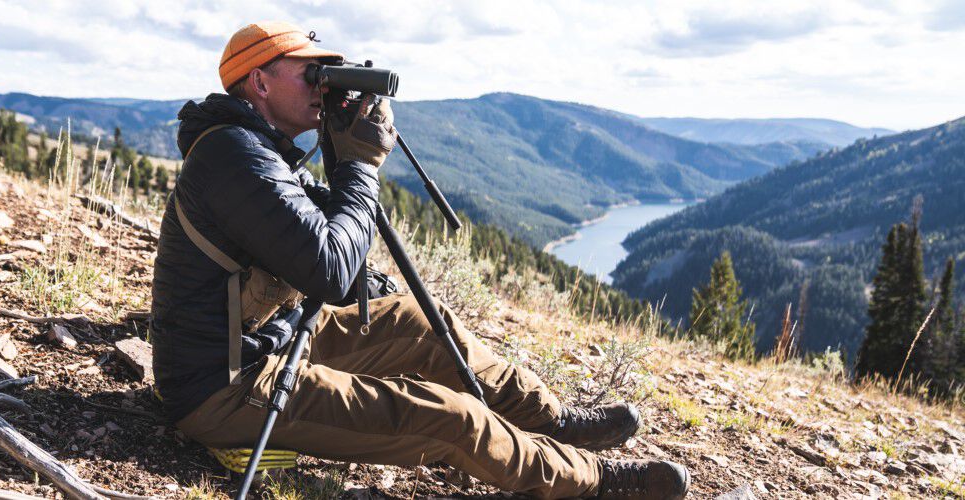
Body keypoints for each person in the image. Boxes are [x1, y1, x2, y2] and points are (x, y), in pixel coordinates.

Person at [150, 21, 690, 500]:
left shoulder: (258, 149)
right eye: (312, 73)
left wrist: (343, 156)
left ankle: (553, 422)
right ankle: (593, 480)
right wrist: (360, 164)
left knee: (423, 323)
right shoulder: (233, 156)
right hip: (225, 387)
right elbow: (333, 273)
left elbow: (333, 240)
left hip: (276, 340)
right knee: (449, 418)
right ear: (260, 82)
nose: (325, 85)